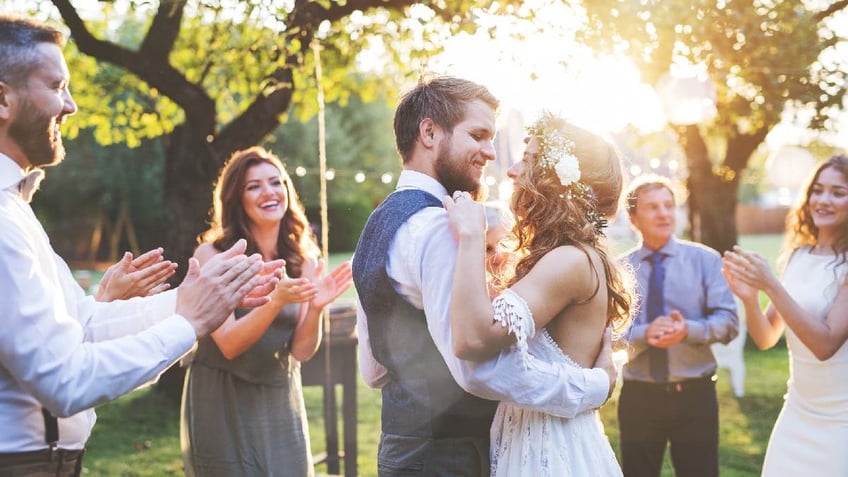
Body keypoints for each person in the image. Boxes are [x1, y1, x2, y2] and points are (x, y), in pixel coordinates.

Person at [0, 14, 277, 476]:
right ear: (3, 99)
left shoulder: (14, 209)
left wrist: (191, 299)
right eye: (56, 86)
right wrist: (189, 322)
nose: (70, 105)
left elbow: (84, 325)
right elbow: (65, 381)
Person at [352, 75, 617, 476]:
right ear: (429, 133)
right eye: (477, 136)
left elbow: (374, 371)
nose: (491, 153)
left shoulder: (379, 223)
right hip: (449, 454)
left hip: (400, 446)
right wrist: (595, 386)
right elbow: (477, 370)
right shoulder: (442, 226)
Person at [443, 112, 633, 475]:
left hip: (551, 450)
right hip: (537, 437)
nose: (512, 171)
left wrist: (470, 237)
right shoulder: (569, 256)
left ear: (558, 181)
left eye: (528, 161)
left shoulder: (570, 260)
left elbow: (471, 340)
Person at [181, 146, 353, 477]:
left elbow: (301, 351)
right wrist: (275, 302)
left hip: (278, 393)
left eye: (276, 182)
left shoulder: (303, 259)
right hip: (222, 396)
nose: (269, 192)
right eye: (253, 186)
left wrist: (316, 309)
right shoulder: (213, 255)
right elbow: (229, 344)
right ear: (236, 198)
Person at [721, 154, 848, 476]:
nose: (823, 200)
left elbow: (825, 345)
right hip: (796, 412)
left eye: (838, 192)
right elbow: (766, 338)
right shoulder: (798, 255)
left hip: (841, 421)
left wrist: (771, 285)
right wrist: (751, 299)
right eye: (817, 190)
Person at [618, 174, 738, 477]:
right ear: (633, 218)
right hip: (639, 397)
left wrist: (689, 331)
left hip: (696, 395)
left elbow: (728, 323)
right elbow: (604, 334)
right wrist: (644, 333)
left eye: (669, 205)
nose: (664, 213)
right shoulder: (618, 270)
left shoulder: (705, 260)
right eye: (652, 207)